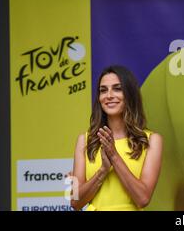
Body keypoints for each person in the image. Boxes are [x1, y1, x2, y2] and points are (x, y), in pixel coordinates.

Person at [70, 65, 163, 211]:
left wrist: (113, 156)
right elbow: (75, 202)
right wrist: (102, 171)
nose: (109, 95)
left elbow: (143, 198)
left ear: (130, 94)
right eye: (103, 90)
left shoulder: (152, 140)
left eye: (117, 89)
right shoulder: (84, 140)